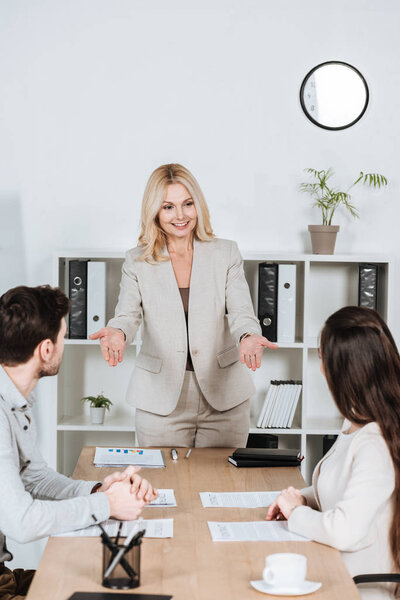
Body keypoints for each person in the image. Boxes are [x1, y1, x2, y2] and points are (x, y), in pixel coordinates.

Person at [91, 163, 277, 447]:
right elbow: (127, 314)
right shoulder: (137, 260)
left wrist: (249, 336)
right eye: (168, 207)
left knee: (222, 486)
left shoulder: (225, 253)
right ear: (154, 211)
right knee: (162, 489)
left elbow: (241, 312)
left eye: (187, 204)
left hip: (224, 394)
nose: (180, 216)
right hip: (161, 397)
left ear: (198, 205)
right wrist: (117, 331)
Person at [0, 285, 157, 600]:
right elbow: (22, 523)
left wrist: (98, 490)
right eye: (62, 336)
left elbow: (35, 477)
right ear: (46, 349)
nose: (63, 345)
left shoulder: (14, 401)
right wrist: (108, 505)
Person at [266, 306, 400, 600]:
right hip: (330, 565)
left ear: (343, 371)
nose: (322, 368)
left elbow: (344, 531)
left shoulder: (375, 441)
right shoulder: (356, 421)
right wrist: (302, 497)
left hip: (354, 585)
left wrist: (296, 512)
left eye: (322, 359)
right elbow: (345, 486)